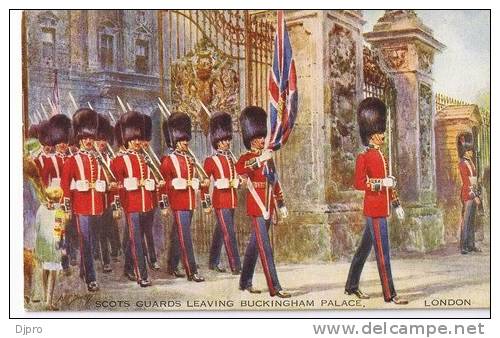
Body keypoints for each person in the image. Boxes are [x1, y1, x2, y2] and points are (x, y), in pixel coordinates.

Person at [344, 97, 408, 305]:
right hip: (374, 209)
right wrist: (382, 183)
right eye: (380, 132)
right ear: (372, 135)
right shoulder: (364, 157)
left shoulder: (383, 156)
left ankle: (351, 286)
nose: (383, 134)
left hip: (383, 208)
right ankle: (390, 294)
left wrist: (396, 204)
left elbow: (390, 184)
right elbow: (359, 183)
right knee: (383, 252)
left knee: (364, 249)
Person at [235, 106, 290, 298]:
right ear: (251, 138)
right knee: (266, 249)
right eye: (259, 137)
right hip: (257, 207)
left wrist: (281, 206)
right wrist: (259, 161)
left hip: (268, 206)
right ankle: (275, 287)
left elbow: (274, 183)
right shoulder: (245, 158)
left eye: (262, 136)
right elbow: (242, 170)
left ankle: (244, 282)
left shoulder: (267, 158)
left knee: (253, 246)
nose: (262, 139)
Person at [110, 111, 165, 287]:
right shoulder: (119, 160)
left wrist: (155, 183)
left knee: (135, 238)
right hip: (131, 205)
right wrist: (116, 206)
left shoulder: (145, 159)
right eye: (133, 139)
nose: (136, 142)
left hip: (146, 204)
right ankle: (142, 274)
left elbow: (152, 180)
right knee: (137, 241)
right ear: (126, 139)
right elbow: (116, 186)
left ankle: (127, 268)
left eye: (138, 139)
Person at [61, 108, 106, 292]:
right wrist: (67, 207)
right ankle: (91, 278)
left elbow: (102, 181)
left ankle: (83, 271)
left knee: (91, 241)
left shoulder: (97, 160)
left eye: (91, 138)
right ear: (80, 140)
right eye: (85, 138)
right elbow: (65, 186)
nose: (89, 141)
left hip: (96, 207)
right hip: (80, 207)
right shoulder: (72, 160)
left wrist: (100, 186)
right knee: (85, 241)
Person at [160, 112, 207, 282]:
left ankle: (172, 265)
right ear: (175, 141)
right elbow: (164, 184)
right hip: (178, 202)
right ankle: (192, 271)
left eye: (186, 139)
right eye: (181, 140)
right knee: (185, 236)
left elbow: (193, 178)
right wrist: (164, 204)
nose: (185, 142)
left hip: (189, 201)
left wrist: (198, 182)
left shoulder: (190, 159)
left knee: (177, 234)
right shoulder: (168, 160)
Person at [201, 112, 242, 274]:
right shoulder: (211, 161)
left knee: (220, 231)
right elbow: (204, 185)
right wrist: (206, 204)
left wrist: (238, 182)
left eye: (228, 140)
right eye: (224, 140)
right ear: (217, 142)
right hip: (220, 201)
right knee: (229, 233)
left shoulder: (231, 159)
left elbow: (237, 179)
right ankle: (236, 266)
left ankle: (213, 261)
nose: (227, 143)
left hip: (232, 200)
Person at [34, 186, 66, 310]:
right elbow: (60, 232)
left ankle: (44, 298)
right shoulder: (59, 212)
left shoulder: (40, 209)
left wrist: (36, 244)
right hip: (53, 246)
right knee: (52, 273)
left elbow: (36, 227)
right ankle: (49, 301)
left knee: (44, 269)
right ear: (59, 199)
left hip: (42, 244)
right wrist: (63, 247)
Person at [457, 131, 482, 254]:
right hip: (467, 194)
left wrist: (477, 194)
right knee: (466, 221)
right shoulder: (462, 163)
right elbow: (467, 182)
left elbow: (474, 180)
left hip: (472, 193)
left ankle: (471, 244)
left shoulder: (470, 162)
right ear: (465, 150)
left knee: (472, 220)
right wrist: (474, 195)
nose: (471, 151)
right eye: (469, 149)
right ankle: (464, 246)